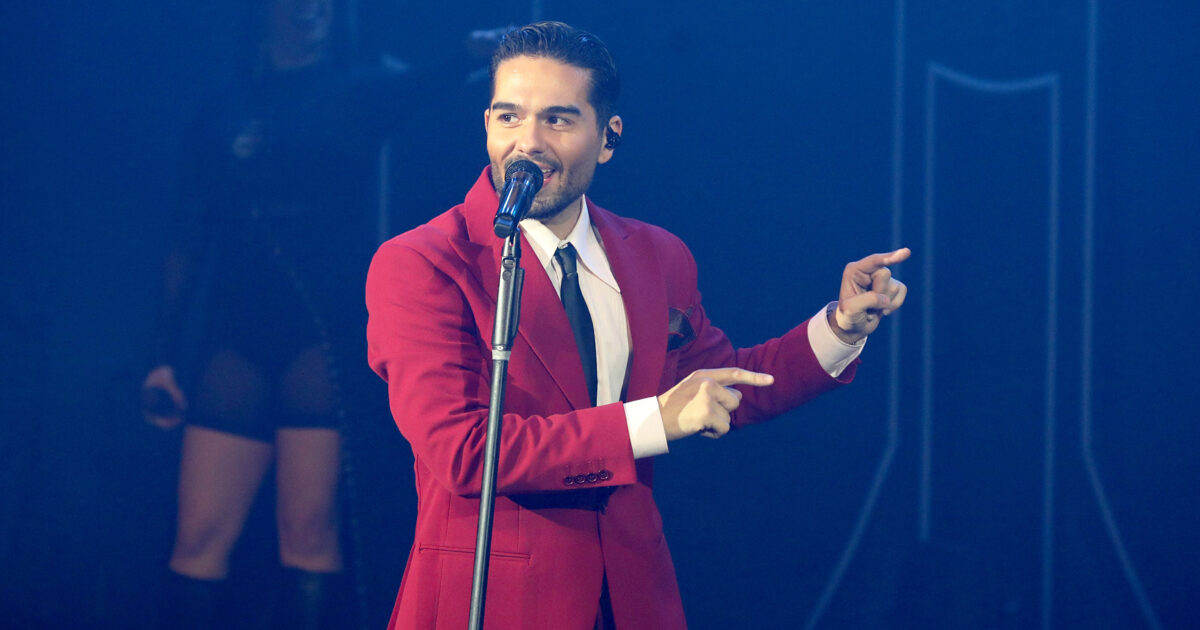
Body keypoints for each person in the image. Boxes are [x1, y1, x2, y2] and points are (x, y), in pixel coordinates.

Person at [364, 21, 909, 630]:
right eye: (510, 117)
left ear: (608, 138)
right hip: (495, 599)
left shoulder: (657, 256)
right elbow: (466, 454)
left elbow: (717, 385)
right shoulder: (423, 262)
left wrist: (840, 329)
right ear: (487, 122)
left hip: (631, 595)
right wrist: (652, 423)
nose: (528, 143)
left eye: (558, 120)